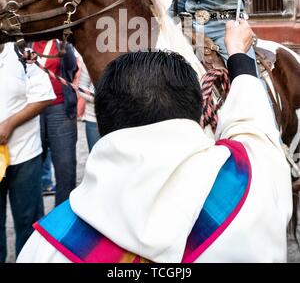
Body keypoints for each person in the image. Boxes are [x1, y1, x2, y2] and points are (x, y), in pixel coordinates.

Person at [17, 21, 292, 263]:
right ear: (198, 110)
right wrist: (239, 56)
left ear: (103, 121)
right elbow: (254, 126)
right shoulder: (253, 183)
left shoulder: (45, 246)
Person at [0, 42, 55, 262]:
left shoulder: (23, 53)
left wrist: (10, 124)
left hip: (25, 154)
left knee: (28, 222)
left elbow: (44, 96)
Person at [31, 40, 78, 206]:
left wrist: (65, 45)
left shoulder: (60, 43)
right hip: (32, 110)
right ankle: (34, 220)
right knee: (32, 166)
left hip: (60, 108)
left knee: (65, 165)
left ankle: (63, 215)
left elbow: (73, 68)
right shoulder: (25, 44)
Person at [78, 61, 100, 152]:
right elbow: (81, 88)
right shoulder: (89, 58)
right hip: (94, 119)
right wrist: (100, 98)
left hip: (119, 121)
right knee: (96, 158)